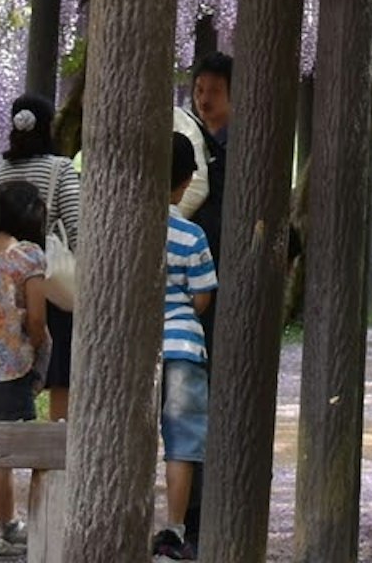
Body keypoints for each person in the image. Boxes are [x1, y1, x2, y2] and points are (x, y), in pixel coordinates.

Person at [0, 178, 52, 554]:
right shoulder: (29, 257)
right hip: (12, 367)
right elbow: (36, 318)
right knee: (2, 452)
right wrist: (38, 346)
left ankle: (7, 524)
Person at [154, 127, 218, 562]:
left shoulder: (125, 229)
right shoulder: (191, 235)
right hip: (182, 347)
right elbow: (201, 297)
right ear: (182, 184)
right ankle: (174, 528)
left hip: (139, 350)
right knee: (182, 442)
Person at [2, 94, 84, 420]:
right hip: (51, 285)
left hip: (9, 286)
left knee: (13, 374)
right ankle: (45, 469)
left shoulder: (0, 171)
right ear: (48, 127)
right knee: (61, 377)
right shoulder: (60, 168)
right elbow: (78, 228)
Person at [186, 51, 236, 261]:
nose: (204, 99)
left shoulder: (238, 142)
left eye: (215, 91)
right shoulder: (193, 137)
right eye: (199, 90)